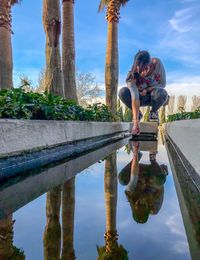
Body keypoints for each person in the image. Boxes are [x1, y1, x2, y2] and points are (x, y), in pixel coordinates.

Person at [119, 50, 168, 135]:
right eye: (140, 70)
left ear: (150, 63)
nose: (143, 73)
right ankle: (138, 115)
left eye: (145, 68)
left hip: (153, 97)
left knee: (162, 93)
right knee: (122, 92)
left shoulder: (157, 64)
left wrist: (148, 89)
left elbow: (162, 84)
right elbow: (134, 99)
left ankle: (153, 112)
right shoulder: (131, 77)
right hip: (139, 98)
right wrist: (135, 123)